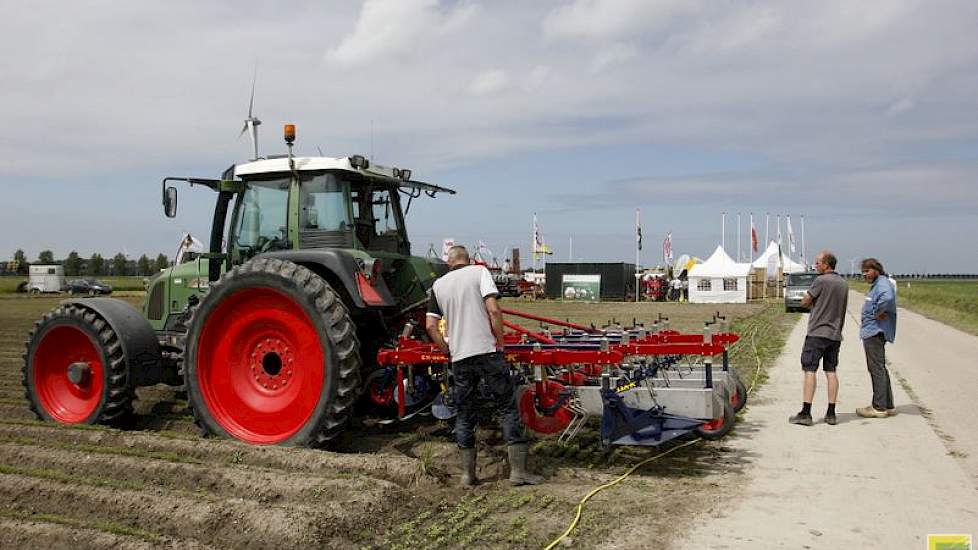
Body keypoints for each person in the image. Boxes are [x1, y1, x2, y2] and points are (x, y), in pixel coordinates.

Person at [425, 245, 542, 487]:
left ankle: (468, 475)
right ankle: (518, 472)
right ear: (468, 260)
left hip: (460, 359)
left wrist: (446, 349)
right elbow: (494, 310)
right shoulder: (479, 273)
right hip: (487, 353)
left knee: (466, 414)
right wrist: (500, 342)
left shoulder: (439, 286)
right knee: (508, 408)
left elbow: (430, 327)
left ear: (449, 263)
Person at [790, 250, 848, 426]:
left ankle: (806, 412)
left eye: (817, 263)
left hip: (817, 333)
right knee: (831, 372)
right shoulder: (843, 283)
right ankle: (831, 413)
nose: (815, 266)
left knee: (810, 370)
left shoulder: (820, 281)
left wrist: (812, 302)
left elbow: (805, 301)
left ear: (826, 264)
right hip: (835, 334)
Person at [856, 258, 897, 418]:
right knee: (880, 367)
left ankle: (878, 407)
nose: (864, 274)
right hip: (874, 330)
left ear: (876, 270)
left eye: (867, 271)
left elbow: (887, 298)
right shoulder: (880, 283)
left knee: (876, 368)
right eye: (863, 271)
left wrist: (879, 311)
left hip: (875, 331)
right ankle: (888, 405)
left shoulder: (882, 284)